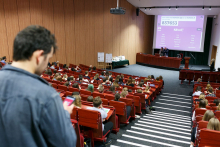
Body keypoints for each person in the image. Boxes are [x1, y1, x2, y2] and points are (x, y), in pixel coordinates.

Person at [0, 25, 76, 146]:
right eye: (48, 58)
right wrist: (64, 114)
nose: (47, 64)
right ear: (39, 56)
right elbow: (67, 143)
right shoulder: (47, 95)